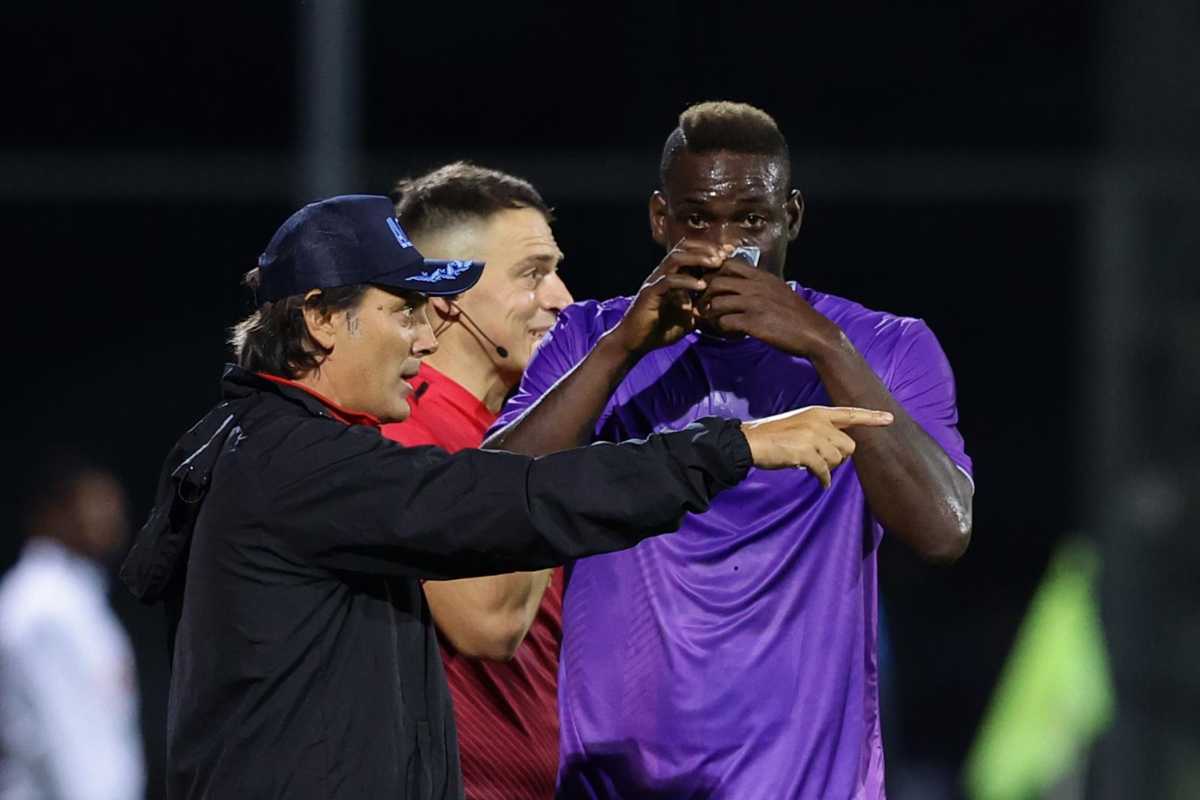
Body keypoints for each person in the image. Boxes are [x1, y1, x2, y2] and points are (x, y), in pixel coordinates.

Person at [118, 193, 893, 799]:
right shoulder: (299, 464)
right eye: (402, 312)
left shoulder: (239, 441)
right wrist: (738, 445)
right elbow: (518, 500)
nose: (426, 337)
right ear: (322, 321)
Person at [485, 101, 975, 798]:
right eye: (697, 221)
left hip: (805, 782)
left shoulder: (884, 346)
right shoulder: (588, 340)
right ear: (661, 220)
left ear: (792, 218)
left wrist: (823, 344)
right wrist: (622, 348)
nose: (724, 249)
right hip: (621, 781)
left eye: (751, 221)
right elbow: (484, 504)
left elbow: (944, 530)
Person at [382, 163, 572, 799]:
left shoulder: (515, 423)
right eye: (532, 274)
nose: (562, 298)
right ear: (445, 297)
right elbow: (486, 625)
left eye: (555, 268)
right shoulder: (399, 428)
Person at [0, 450, 144, 800]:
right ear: (52, 514)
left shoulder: (77, 598)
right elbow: (66, 743)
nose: (111, 515)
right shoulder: (42, 606)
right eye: (93, 503)